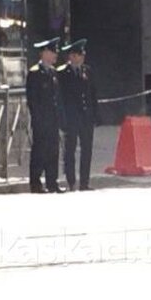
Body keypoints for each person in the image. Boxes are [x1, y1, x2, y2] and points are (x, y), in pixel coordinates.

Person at [57, 39, 99, 191]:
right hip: (71, 117)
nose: (80, 58)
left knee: (87, 149)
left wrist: (95, 115)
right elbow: (60, 97)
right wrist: (62, 118)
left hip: (86, 117)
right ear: (71, 56)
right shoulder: (62, 73)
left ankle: (84, 182)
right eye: (77, 55)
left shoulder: (87, 71)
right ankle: (71, 181)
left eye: (81, 55)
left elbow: (92, 95)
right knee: (70, 150)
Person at [27, 37, 65, 194]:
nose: (55, 55)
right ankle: (35, 183)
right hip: (41, 120)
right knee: (39, 151)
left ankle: (52, 182)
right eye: (53, 52)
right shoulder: (35, 72)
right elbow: (33, 99)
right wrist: (37, 118)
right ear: (44, 53)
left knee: (53, 151)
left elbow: (57, 98)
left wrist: (60, 117)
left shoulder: (53, 72)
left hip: (53, 119)